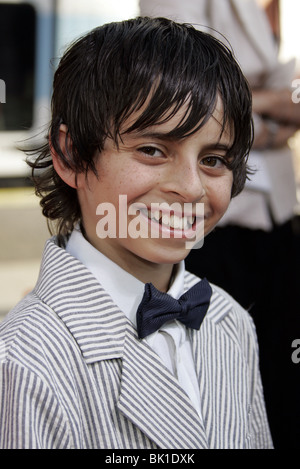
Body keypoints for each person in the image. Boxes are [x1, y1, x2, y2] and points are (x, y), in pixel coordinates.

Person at [0, 17, 273, 449]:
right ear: (70, 154)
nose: (190, 187)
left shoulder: (230, 321)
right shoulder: (26, 358)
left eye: (214, 159)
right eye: (152, 150)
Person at [139, 0, 300, 449]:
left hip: (278, 215)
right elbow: (187, 98)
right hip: (216, 227)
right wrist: (272, 113)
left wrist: (246, 104)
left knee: (280, 370)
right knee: (212, 371)